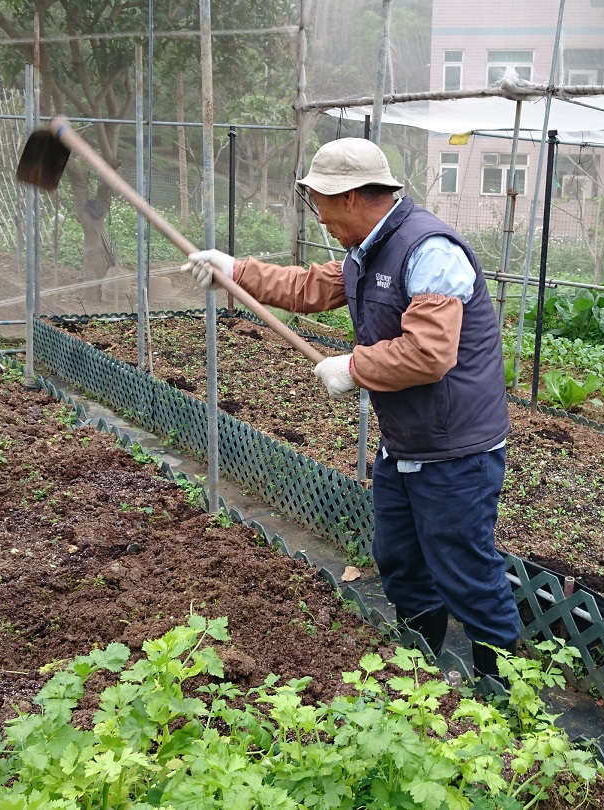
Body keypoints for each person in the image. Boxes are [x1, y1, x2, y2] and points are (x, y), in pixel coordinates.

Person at [183, 137, 520, 679]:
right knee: (401, 563)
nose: (320, 217)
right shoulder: (368, 250)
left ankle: (503, 694)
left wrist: (353, 367)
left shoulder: (430, 251)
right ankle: (420, 674)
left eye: (321, 203)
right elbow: (311, 286)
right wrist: (236, 270)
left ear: (353, 196)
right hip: (405, 442)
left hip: (455, 450)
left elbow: (430, 353)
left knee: (467, 572)